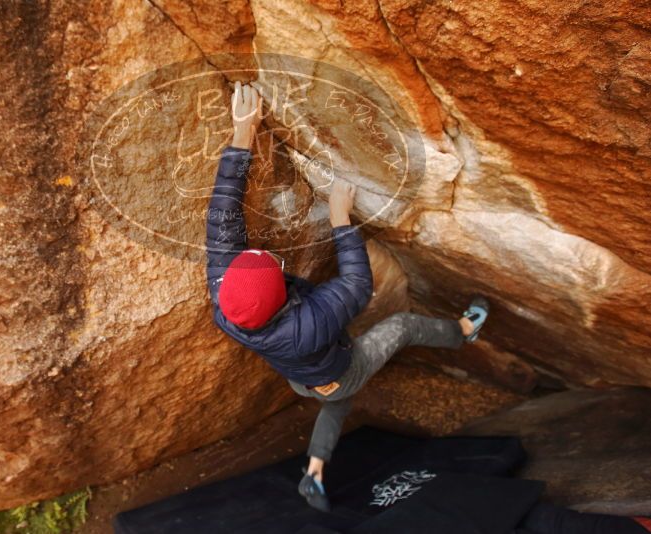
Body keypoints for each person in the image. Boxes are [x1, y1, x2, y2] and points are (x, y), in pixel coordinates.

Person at [205, 81, 490, 512]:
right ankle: (465, 330)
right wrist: (340, 219)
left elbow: (224, 213)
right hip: (342, 366)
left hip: (304, 379)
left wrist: (242, 134)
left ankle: (314, 472)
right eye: (272, 267)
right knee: (402, 327)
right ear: (280, 300)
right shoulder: (308, 322)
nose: (260, 254)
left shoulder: (227, 295)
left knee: (334, 402)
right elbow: (357, 286)